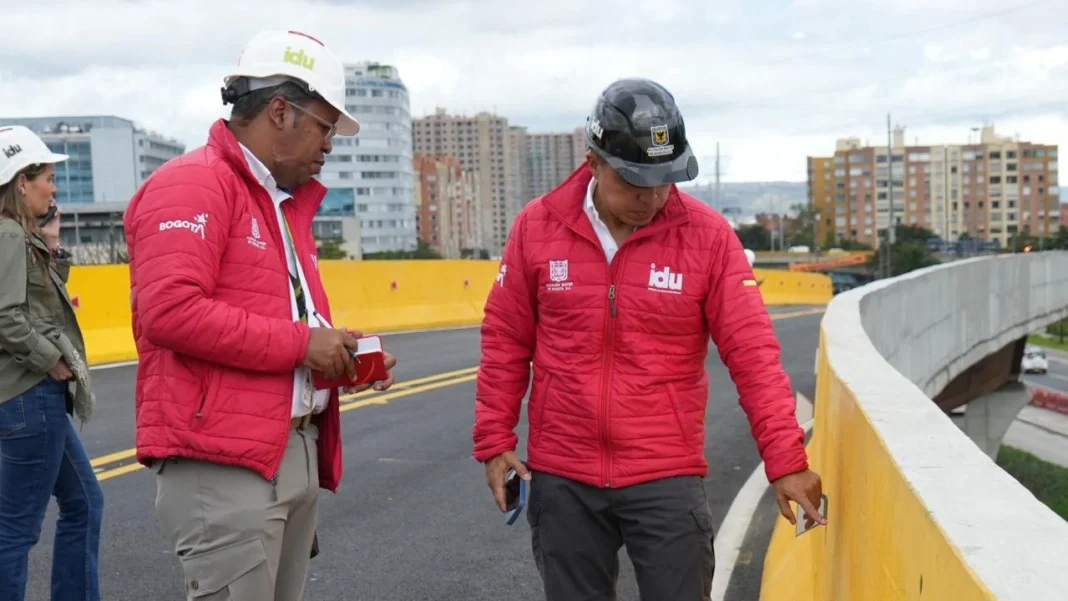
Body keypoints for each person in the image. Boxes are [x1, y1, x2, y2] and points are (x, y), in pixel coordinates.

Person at [472, 78, 825, 601]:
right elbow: (505, 340)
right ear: (593, 162)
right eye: (635, 182)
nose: (652, 197)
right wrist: (495, 442)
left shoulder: (708, 238)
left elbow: (752, 355)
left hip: (666, 473)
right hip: (564, 474)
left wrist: (786, 460)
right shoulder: (537, 228)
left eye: (664, 180)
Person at [123, 30, 396, 601]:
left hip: (286, 453)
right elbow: (169, 313)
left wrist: (337, 353)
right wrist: (304, 345)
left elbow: (278, 319)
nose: (329, 144)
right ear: (280, 111)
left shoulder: (278, 201)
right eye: (324, 126)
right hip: (223, 466)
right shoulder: (192, 185)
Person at [0, 125, 104, 601]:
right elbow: (5, 315)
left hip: (29, 396)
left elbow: (40, 302)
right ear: (21, 180)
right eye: (46, 176)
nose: (54, 187)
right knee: (15, 530)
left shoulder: (19, 235)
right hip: (28, 395)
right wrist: (50, 360)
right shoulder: (7, 235)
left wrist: (51, 244)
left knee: (85, 502)